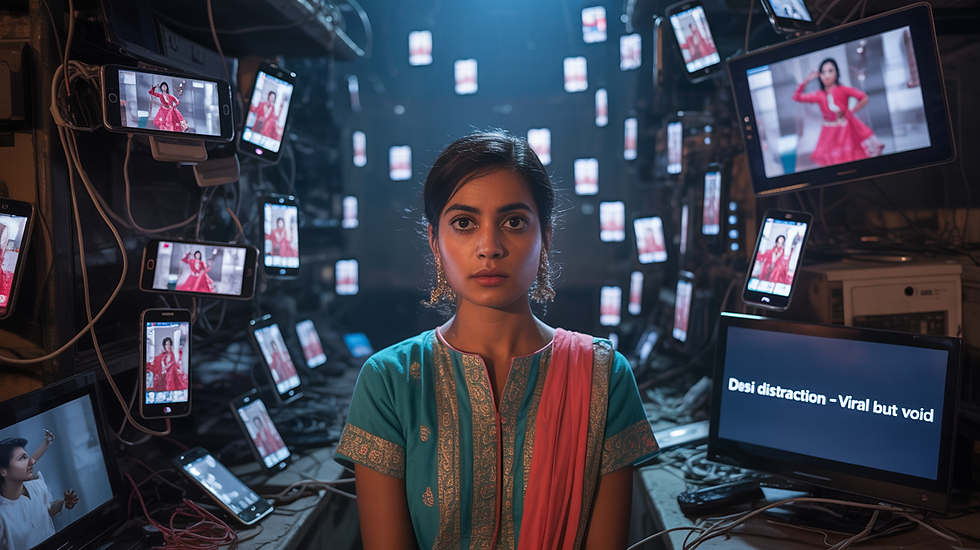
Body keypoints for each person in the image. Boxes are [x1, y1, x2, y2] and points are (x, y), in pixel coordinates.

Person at [335, 131, 659, 550]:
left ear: (545, 238)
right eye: (464, 223)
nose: (489, 247)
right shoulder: (389, 382)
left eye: (514, 222)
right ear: (434, 241)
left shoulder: (603, 376)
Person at [792, 58, 884, 167]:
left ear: (836, 73)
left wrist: (851, 111)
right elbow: (797, 97)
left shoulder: (843, 89)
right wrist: (808, 79)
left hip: (846, 130)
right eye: (823, 72)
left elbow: (864, 98)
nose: (826, 75)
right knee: (834, 162)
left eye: (830, 71)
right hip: (829, 133)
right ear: (819, 75)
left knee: (850, 158)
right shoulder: (819, 95)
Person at [0, 437, 79, 550]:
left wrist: (63, 503)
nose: (32, 461)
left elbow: (45, 511)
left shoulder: (37, 486)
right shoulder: (2, 515)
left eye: (27, 457)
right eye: (22, 458)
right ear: (3, 471)